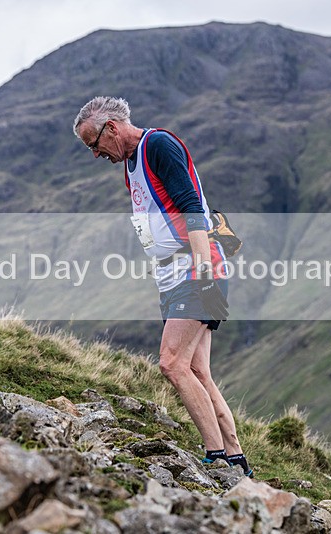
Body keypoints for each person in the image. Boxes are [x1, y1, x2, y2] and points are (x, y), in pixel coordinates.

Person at [73, 96, 252, 477]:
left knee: (171, 363)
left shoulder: (158, 145)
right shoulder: (131, 165)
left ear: (112, 128)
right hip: (174, 274)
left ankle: (216, 458)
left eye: (93, 144)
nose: (95, 154)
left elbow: (191, 205)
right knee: (198, 370)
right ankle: (236, 458)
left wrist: (204, 273)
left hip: (197, 268)